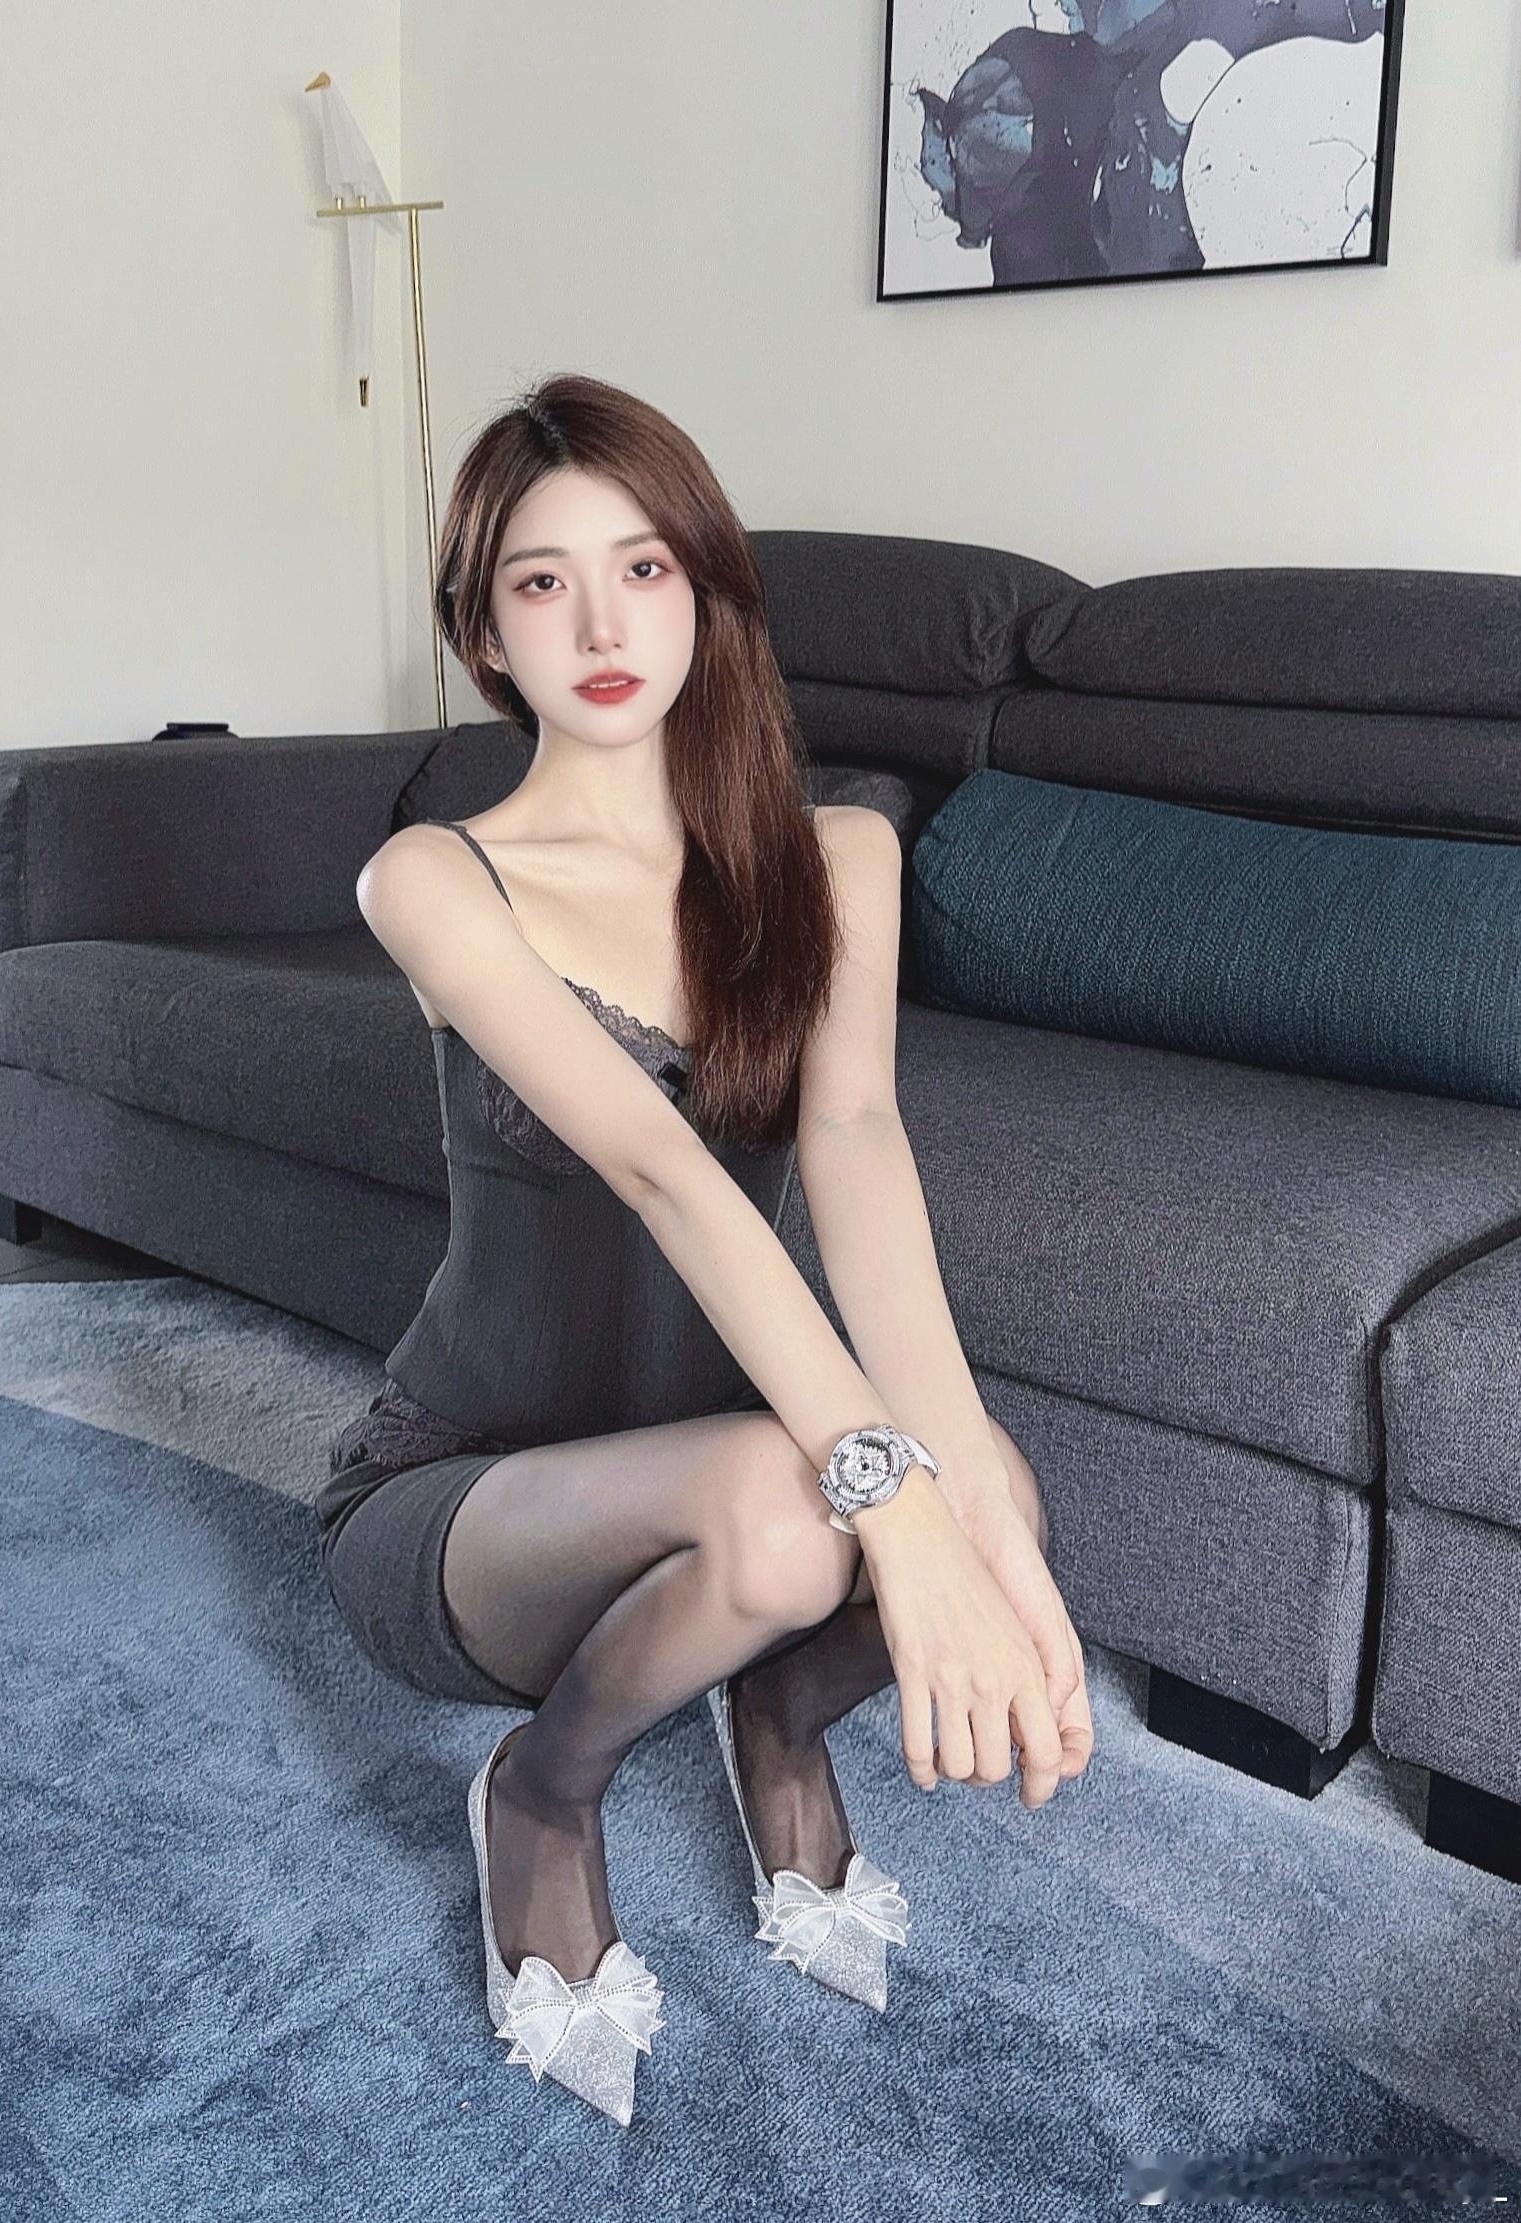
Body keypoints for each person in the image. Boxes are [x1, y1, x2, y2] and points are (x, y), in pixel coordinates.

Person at [315, 371, 1094, 2124]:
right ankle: (541, 1794)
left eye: (644, 569)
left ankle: (777, 1724)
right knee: (809, 1504)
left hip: (731, 1470)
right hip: (473, 1503)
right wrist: (893, 1509)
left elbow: (858, 1144)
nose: (602, 627)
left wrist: (970, 1507)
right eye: (542, 582)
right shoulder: (436, 877)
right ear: (484, 633)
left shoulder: (842, 857)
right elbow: (666, 1171)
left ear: (707, 591)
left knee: (989, 1485)